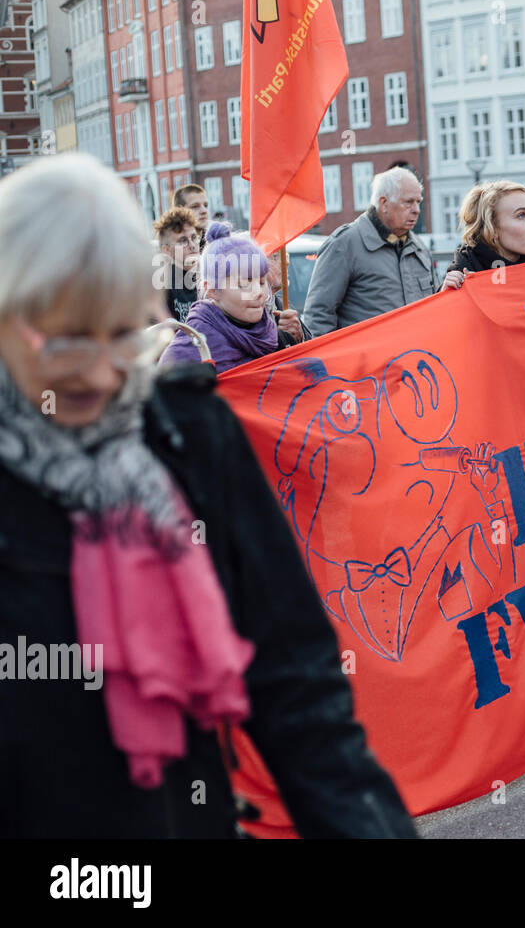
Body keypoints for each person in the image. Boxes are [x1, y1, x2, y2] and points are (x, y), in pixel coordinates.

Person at [0, 154, 415, 837]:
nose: (100, 365)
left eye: (116, 328)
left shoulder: (188, 437)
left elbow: (299, 693)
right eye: (63, 335)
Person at [301, 166, 434, 337]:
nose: (416, 209)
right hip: (365, 363)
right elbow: (318, 317)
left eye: (418, 201)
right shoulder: (344, 244)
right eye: (408, 202)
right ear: (384, 203)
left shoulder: (419, 248)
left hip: (415, 360)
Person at [159, 222, 305, 373]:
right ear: (213, 290)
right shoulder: (187, 355)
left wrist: (294, 340)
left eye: (261, 282)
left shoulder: (274, 333)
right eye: (244, 283)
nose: (259, 292)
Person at [153, 207, 202, 322]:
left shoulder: (210, 276)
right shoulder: (162, 285)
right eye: (183, 241)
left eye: (194, 238)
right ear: (167, 250)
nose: (192, 245)